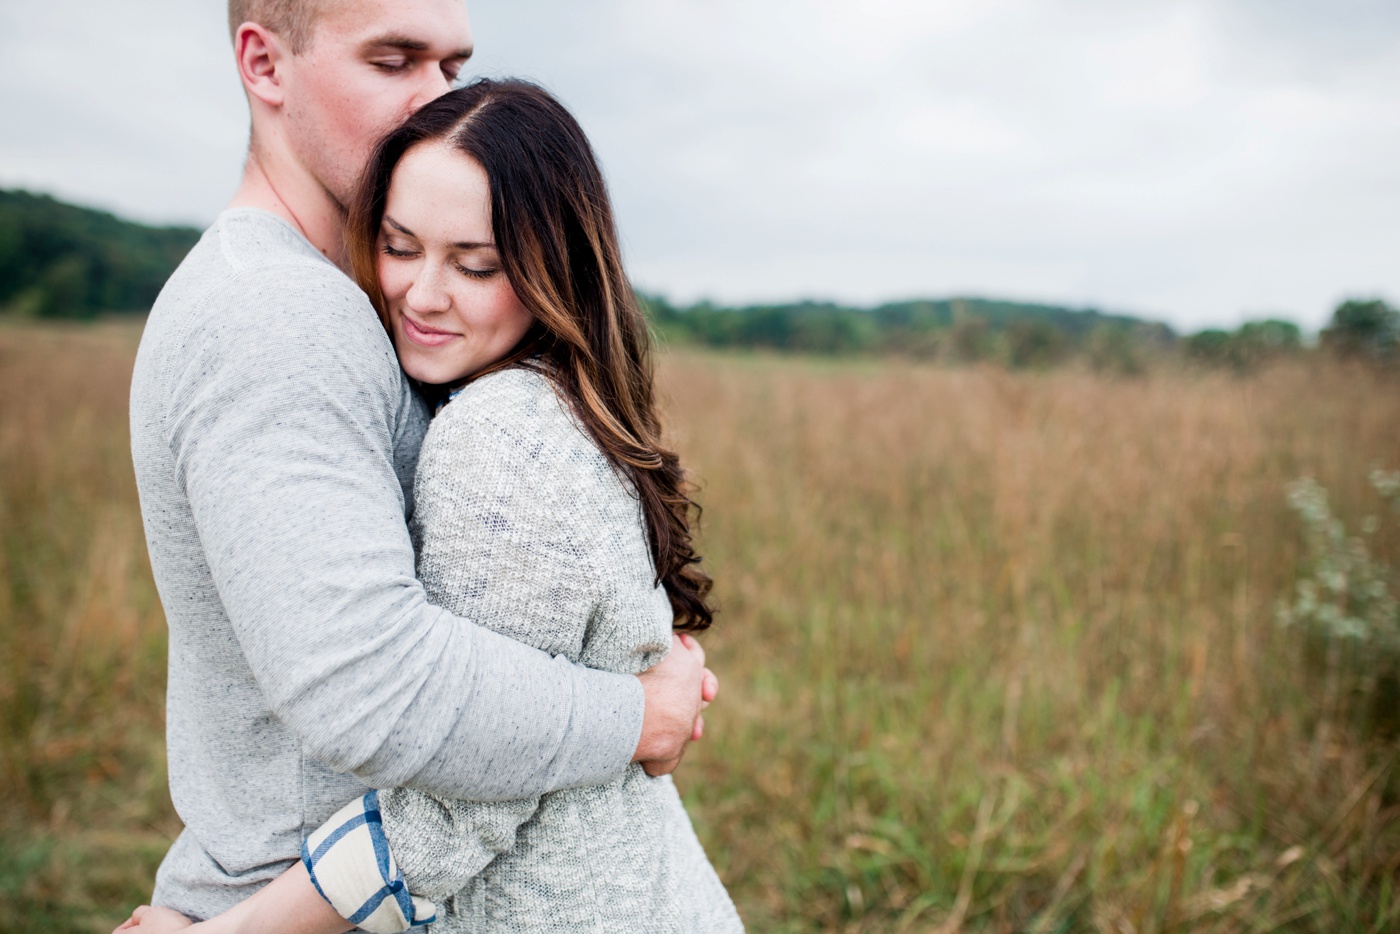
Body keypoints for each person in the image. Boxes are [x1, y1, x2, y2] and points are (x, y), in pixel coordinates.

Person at [124, 0, 715, 925]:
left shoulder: (382, 323)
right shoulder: (278, 317)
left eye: (450, 64)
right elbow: (373, 687)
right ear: (263, 64)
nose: (433, 101)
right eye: (394, 60)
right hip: (309, 899)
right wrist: (636, 716)